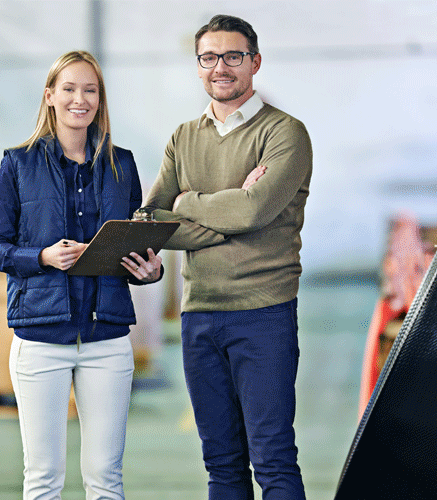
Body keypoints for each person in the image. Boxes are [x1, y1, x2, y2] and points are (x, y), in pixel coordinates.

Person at [142, 14, 312, 500]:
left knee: (273, 458)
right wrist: (230, 212)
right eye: (209, 57)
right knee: (221, 465)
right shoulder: (183, 137)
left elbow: (254, 210)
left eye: (233, 56)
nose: (220, 67)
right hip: (199, 316)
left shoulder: (285, 133)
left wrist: (186, 203)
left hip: (263, 314)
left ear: (254, 62)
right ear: (198, 66)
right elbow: (150, 219)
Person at [0, 50, 163, 500]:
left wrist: (149, 271)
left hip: (107, 339)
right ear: (49, 96)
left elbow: (130, 247)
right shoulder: (17, 165)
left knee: (106, 477)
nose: (79, 99)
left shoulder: (122, 165)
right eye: (68, 88)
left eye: (90, 90)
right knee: (43, 476)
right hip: (41, 338)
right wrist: (43, 257)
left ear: (100, 100)